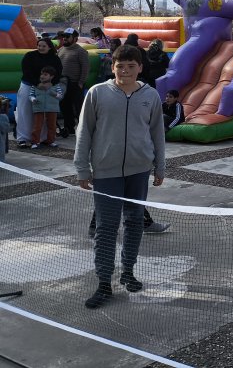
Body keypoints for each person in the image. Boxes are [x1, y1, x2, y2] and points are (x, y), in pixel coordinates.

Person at [74, 44, 166, 309]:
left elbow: (157, 133)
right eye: (119, 66)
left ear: (140, 67)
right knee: (106, 227)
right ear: (112, 66)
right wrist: (82, 168)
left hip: (139, 171)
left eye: (130, 66)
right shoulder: (97, 93)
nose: (124, 71)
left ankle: (128, 271)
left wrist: (159, 166)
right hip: (105, 172)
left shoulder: (151, 96)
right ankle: (104, 281)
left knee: (135, 222)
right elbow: (84, 133)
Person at [15, 38, 63, 148]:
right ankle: (23, 138)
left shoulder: (55, 59)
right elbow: (26, 71)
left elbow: (58, 73)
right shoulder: (29, 56)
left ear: (49, 47)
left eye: (43, 46)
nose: (40, 48)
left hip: (47, 88)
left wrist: (50, 84)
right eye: (39, 45)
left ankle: (43, 138)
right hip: (28, 85)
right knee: (25, 112)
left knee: (44, 113)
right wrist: (37, 83)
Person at [57, 28, 90, 138]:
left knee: (78, 108)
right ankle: (69, 128)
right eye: (64, 36)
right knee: (64, 106)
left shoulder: (81, 51)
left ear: (75, 38)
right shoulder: (61, 49)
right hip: (62, 83)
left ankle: (83, 128)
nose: (65, 38)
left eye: (67, 36)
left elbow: (85, 68)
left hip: (75, 83)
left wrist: (81, 82)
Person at [29, 66, 63, 149]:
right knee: (37, 125)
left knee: (52, 126)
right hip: (38, 108)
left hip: (52, 108)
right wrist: (33, 99)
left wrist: (53, 93)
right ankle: (35, 142)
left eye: (45, 74)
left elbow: (60, 96)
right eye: (42, 74)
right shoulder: (35, 86)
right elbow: (31, 95)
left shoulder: (56, 86)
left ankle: (50, 141)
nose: (42, 76)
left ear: (51, 77)